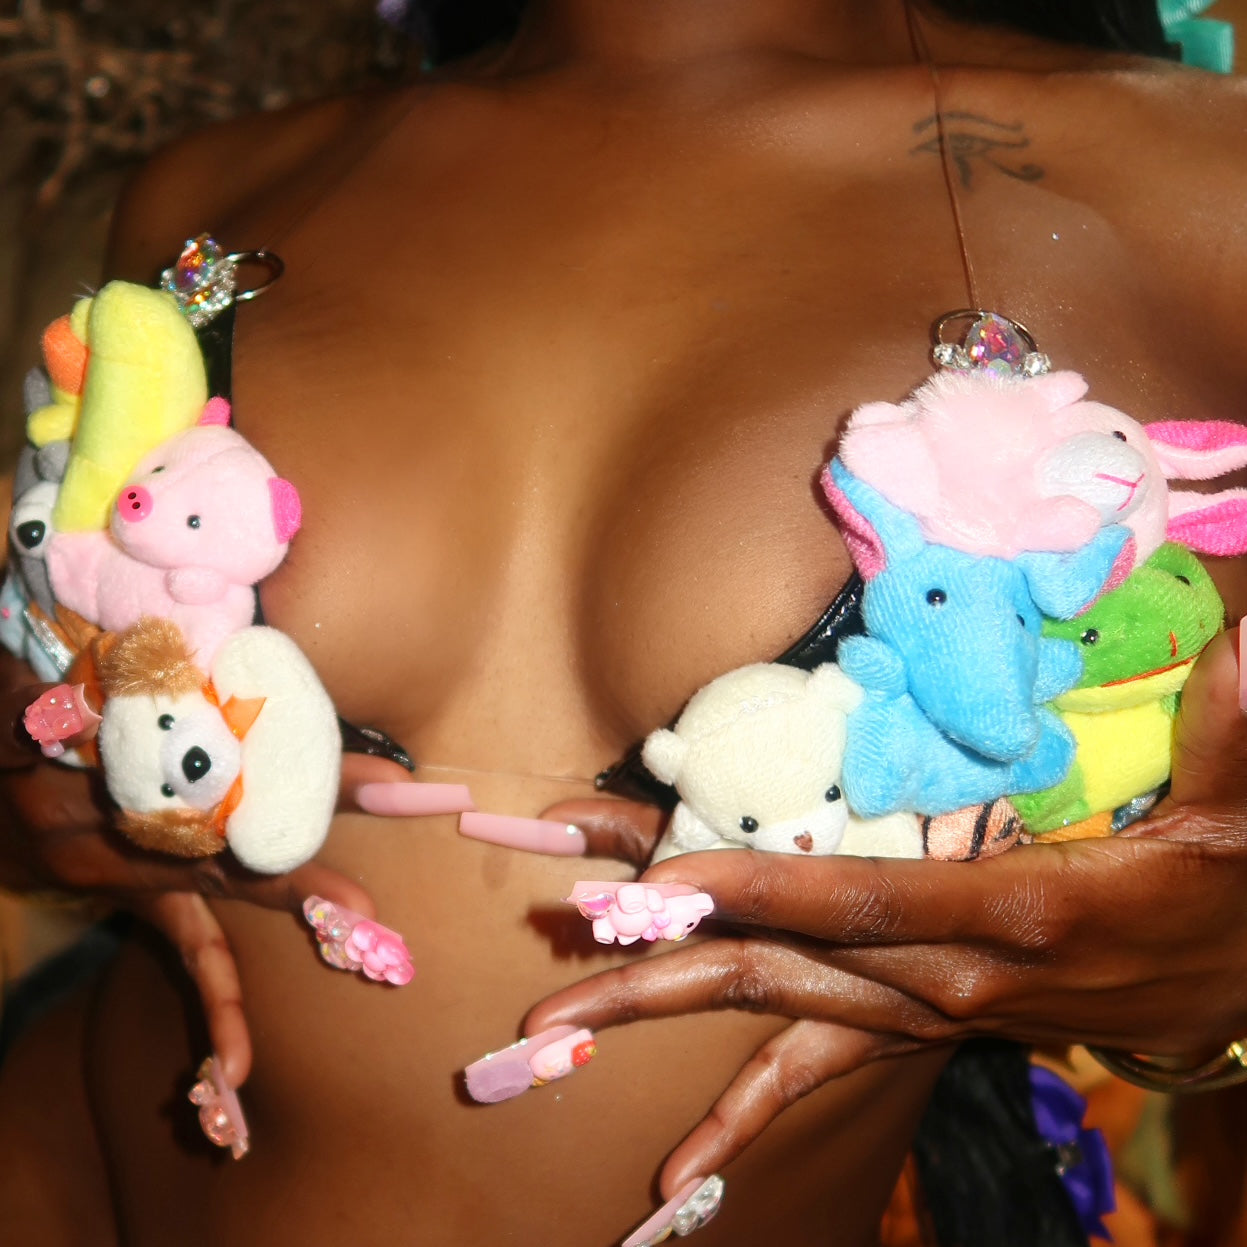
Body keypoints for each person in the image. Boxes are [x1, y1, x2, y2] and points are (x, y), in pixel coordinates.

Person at [1, 1, 1245, 1243]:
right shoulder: (216, 189)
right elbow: (52, 661)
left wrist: (1223, 993)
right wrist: (25, 789)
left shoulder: (1201, 184)